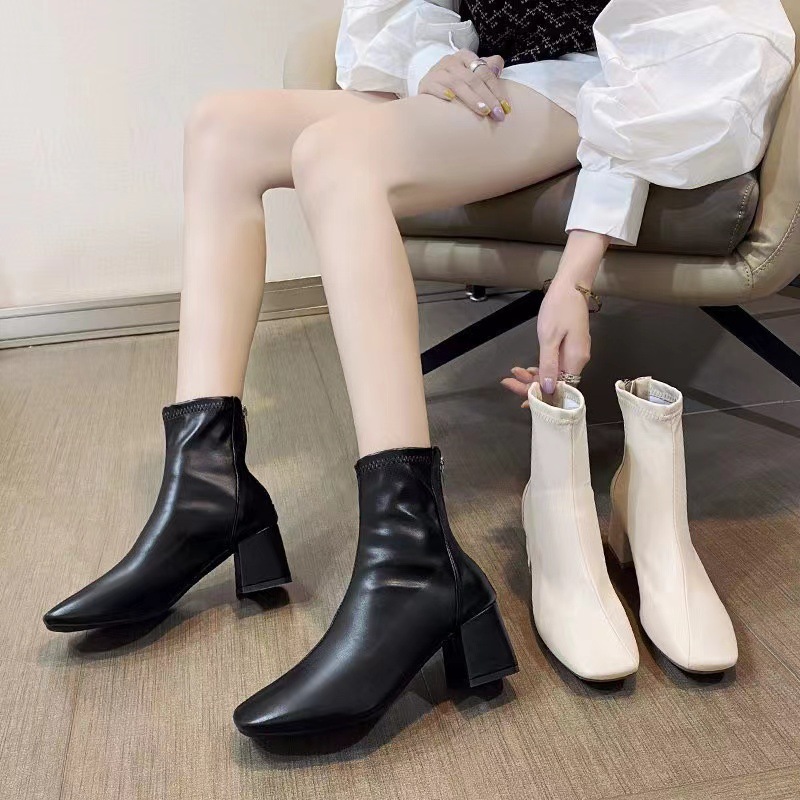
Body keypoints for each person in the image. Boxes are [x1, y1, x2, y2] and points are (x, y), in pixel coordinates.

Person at [42, 0, 795, 738]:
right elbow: (407, 14)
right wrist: (430, 60)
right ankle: (206, 490)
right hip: (499, 81)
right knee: (220, 129)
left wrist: (578, 270)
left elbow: (677, 53)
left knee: (333, 155)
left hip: (604, 85)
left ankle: (413, 563)